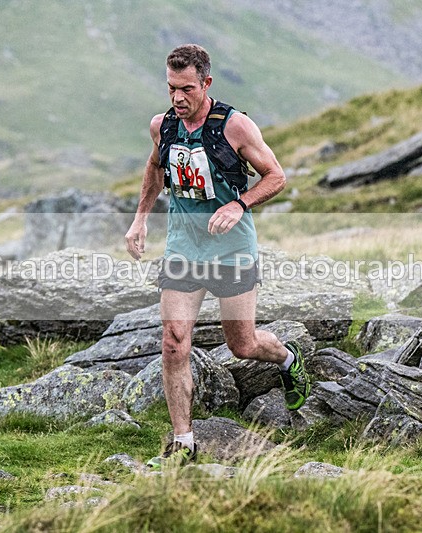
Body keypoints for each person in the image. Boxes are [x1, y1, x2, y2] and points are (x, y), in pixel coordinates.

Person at [124, 44, 310, 469]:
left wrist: (238, 205)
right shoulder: (163, 126)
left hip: (232, 249)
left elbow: (276, 176)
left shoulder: (235, 126)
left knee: (242, 345)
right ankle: (182, 444)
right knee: (173, 344)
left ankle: (286, 358)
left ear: (206, 83)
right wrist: (140, 220)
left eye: (186, 88)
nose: (177, 98)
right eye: (171, 88)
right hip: (183, 250)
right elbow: (155, 168)